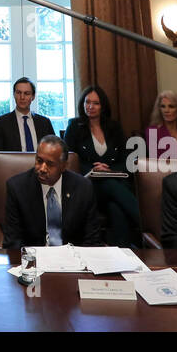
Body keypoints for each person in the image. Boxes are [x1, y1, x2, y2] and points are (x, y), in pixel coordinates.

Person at [63, 84, 140, 246]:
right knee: (110, 185)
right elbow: (69, 159)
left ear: (103, 106)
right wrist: (93, 170)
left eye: (95, 103)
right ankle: (146, 224)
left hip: (113, 183)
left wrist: (110, 169)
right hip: (88, 185)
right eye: (87, 102)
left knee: (116, 207)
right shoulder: (75, 127)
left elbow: (126, 158)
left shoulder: (114, 127)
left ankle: (122, 249)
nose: (90, 106)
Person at [3, 135, 104, 251]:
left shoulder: (83, 187)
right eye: (39, 161)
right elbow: (13, 241)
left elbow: (92, 238)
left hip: (73, 258)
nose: (42, 168)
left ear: (64, 166)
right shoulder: (17, 187)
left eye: (50, 164)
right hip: (34, 259)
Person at [0, 77, 55, 152]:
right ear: (14, 94)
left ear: (33, 97)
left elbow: (53, 151)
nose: (22, 97)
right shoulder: (1, 122)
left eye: (26, 93)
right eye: (18, 93)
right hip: (13, 163)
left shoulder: (44, 122)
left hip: (40, 163)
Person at [144, 90, 177, 161]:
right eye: (163, 106)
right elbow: (156, 161)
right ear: (159, 109)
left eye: (171, 106)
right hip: (163, 171)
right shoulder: (152, 132)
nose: (166, 110)